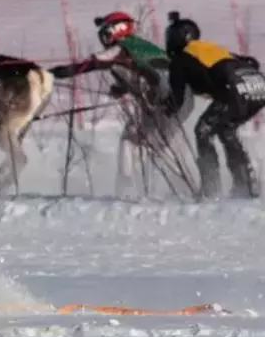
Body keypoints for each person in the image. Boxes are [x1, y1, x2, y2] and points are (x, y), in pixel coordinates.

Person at [48, 11, 180, 191]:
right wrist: (123, 87)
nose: (103, 36)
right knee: (163, 146)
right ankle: (184, 186)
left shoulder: (121, 47)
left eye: (106, 31)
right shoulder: (139, 46)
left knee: (130, 141)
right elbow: (145, 72)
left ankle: (126, 189)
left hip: (162, 104)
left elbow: (90, 64)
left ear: (117, 29)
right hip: (175, 102)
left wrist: (53, 73)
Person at [163, 11, 265, 199]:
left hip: (233, 90)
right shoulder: (207, 48)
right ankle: (246, 184)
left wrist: (161, 109)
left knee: (203, 130)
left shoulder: (180, 60)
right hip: (258, 86)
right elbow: (251, 62)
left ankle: (211, 188)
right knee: (225, 128)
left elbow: (176, 102)